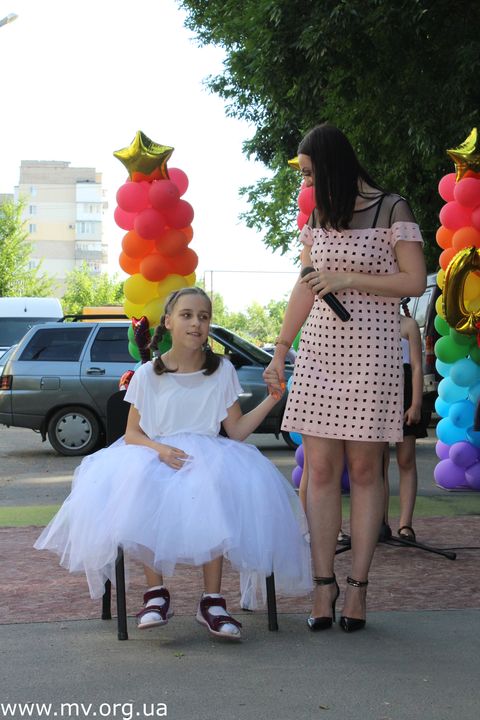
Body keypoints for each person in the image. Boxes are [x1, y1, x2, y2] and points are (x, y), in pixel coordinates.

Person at [35, 287, 312, 642]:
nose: (196, 323)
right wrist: (159, 450)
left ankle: (212, 601)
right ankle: (156, 593)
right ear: (168, 321)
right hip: (156, 451)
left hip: (208, 454)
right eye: (187, 315)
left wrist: (273, 399)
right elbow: (132, 433)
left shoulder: (222, 370)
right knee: (143, 487)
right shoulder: (149, 374)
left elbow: (237, 431)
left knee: (212, 487)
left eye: (203, 317)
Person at [264, 123, 426, 633]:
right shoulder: (319, 215)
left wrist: (349, 278)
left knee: (365, 470)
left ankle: (357, 587)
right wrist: (281, 350)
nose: (305, 183)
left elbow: (414, 281)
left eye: (310, 172)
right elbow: (305, 284)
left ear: (333, 164)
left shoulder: (392, 209)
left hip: (374, 351)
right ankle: (322, 584)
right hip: (320, 352)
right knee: (320, 470)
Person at [383, 302, 427, 542]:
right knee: (376, 464)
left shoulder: (408, 325)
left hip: (405, 393)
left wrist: (416, 404)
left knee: (406, 459)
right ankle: (379, 523)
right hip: (377, 394)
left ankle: (405, 524)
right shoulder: (369, 322)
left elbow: (417, 367)